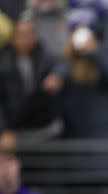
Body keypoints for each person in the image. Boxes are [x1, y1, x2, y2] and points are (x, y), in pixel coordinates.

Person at [0, 17, 62, 146]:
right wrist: (3, 130)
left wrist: (57, 75)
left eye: (30, 34)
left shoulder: (44, 55)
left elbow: (62, 64)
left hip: (44, 127)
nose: (26, 39)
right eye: (22, 34)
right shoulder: (4, 62)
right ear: (13, 38)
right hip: (14, 128)